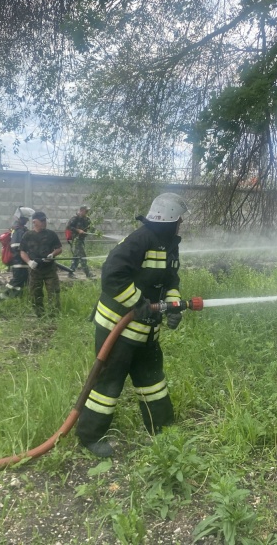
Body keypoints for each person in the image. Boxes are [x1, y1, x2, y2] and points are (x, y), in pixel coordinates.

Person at [76, 193, 188, 458]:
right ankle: (90, 437)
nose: (181, 223)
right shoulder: (140, 240)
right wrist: (138, 302)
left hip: (146, 329)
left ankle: (162, 430)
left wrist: (172, 307)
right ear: (170, 218)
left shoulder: (169, 244)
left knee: (152, 381)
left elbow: (171, 279)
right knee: (108, 384)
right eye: (179, 219)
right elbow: (112, 275)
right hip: (117, 327)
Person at [20, 210, 63, 317]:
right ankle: (39, 314)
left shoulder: (51, 234)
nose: (44, 222)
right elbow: (22, 251)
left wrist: (52, 254)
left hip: (50, 270)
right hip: (35, 270)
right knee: (35, 293)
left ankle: (54, 315)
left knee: (53, 292)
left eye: (45, 220)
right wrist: (29, 262)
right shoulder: (28, 235)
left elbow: (59, 248)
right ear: (34, 221)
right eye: (42, 221)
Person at [3, 208, 33, 298]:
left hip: (22, 261)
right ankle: (2, 298)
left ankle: (17, 298)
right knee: (17, 281)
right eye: (26, 218)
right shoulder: (18, 230)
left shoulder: (21, 229)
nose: (27, 220)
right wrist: (30, 250)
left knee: (23, 281)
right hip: (19, 261)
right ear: (21, 219)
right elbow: (16, 246)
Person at [66, 205, 94, 279]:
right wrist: (78, 230)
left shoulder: (87, 219)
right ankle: (87, 273)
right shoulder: (75, 218)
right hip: (76, 239)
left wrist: (95, 232)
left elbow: (91, 227)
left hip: (81, 240)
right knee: (82, 256)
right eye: (86, 211)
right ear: (81, 210)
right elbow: (69, 227)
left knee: (76, 257)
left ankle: (70, 272)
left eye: (88, 211)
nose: (87, 212)